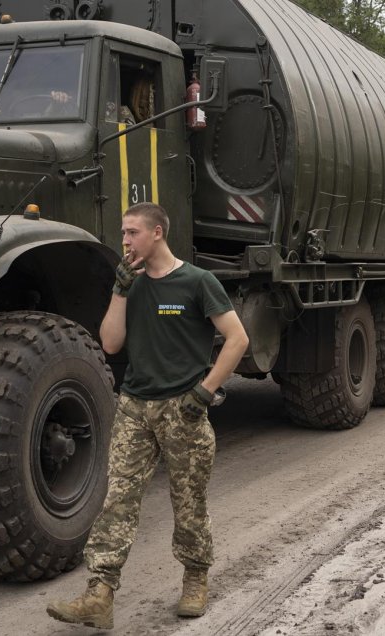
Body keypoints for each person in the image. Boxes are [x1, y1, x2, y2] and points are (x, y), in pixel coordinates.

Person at [46, 202, 249, 630]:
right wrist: (119, 292)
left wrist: (205, 391)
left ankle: (195, 577)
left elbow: (237, 339)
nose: (125, 240)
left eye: (133, 232)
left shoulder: (197, 282)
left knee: (188, 501)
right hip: (135, 407)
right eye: (123, 232)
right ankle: (99, 593)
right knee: (118, 498)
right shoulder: (129, 285)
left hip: (184, 408)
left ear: (157, 233)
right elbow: (111, 344)